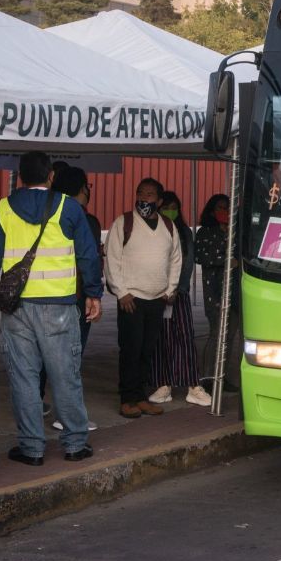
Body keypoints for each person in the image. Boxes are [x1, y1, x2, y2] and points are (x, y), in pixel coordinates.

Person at [0, 151, 101, 466]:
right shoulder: (68, 207)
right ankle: (74, 444)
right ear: (51, 176)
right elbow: (88, 254)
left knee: (24, 377)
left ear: (19, 177)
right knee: (65, 376)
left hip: (16, 307)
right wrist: (94, 293)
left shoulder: (4, 208)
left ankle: (31, 448)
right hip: (58, 305)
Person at [104, 178, 181, 419]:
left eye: (149, 194)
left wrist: (170, 289)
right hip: (131, 299)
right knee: (131, 350)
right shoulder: (123, 222)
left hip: (158, 299)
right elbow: (112, 258)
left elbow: (176, 259)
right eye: (140, 193)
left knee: (147, 350)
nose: (144, 198)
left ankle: (140, 396)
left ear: (159, 201)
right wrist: (121, 291)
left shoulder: (168, 226)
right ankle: (128, 399)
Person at [47, 166, 102, 432]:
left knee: (38, 357)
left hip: (42, 294)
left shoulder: (45, 213)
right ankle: (67, 416)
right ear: (82, 188)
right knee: (70, 357)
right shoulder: (81, 218)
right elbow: (88, 259)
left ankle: (38, 410)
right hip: (74, 296)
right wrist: (94, 293)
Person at [148, 191, 211, 407]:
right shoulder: (152, 231)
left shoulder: (183, 232)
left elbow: (187, 263)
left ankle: (192, 385)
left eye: (173, 206)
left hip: (178, 294)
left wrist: (175, 289)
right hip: (156, 294)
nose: (170, 211)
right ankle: (163, 384)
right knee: (160, 341)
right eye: (166, 206)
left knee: (183, 339)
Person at [195, 194, 242, 392]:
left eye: (227, 208)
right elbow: (201, 256)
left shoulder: (235, 232)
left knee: (230, 335)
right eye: (220, 208)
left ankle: (221, 378)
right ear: (212, 211)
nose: (224, 212)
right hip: (214, 290)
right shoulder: (206, 232)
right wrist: (225, 260)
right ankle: (207, 377)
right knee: (216, 334)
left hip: (235, 291)